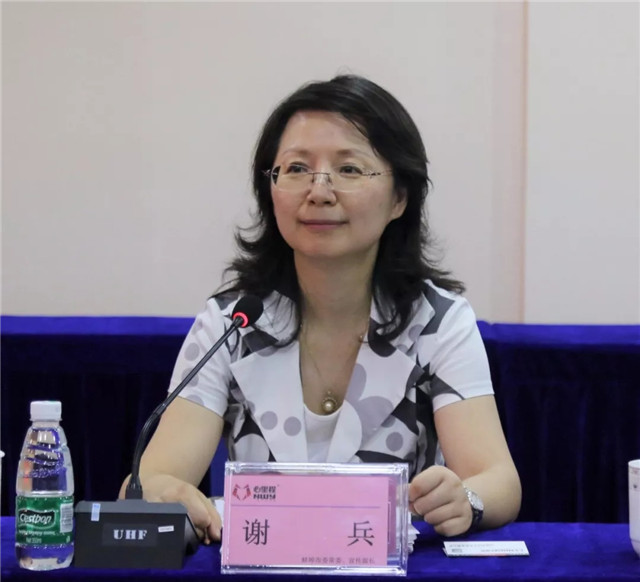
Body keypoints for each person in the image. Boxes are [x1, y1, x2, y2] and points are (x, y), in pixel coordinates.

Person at [120, 74, 521, 544]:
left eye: (349, 169)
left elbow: (498, 481)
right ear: (270, 189)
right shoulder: (234, 322)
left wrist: (465, 500)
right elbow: (152, 480)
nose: (319, 190)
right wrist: (162, 492)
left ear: (399, 198)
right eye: (296, 168)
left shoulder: (437, 322)